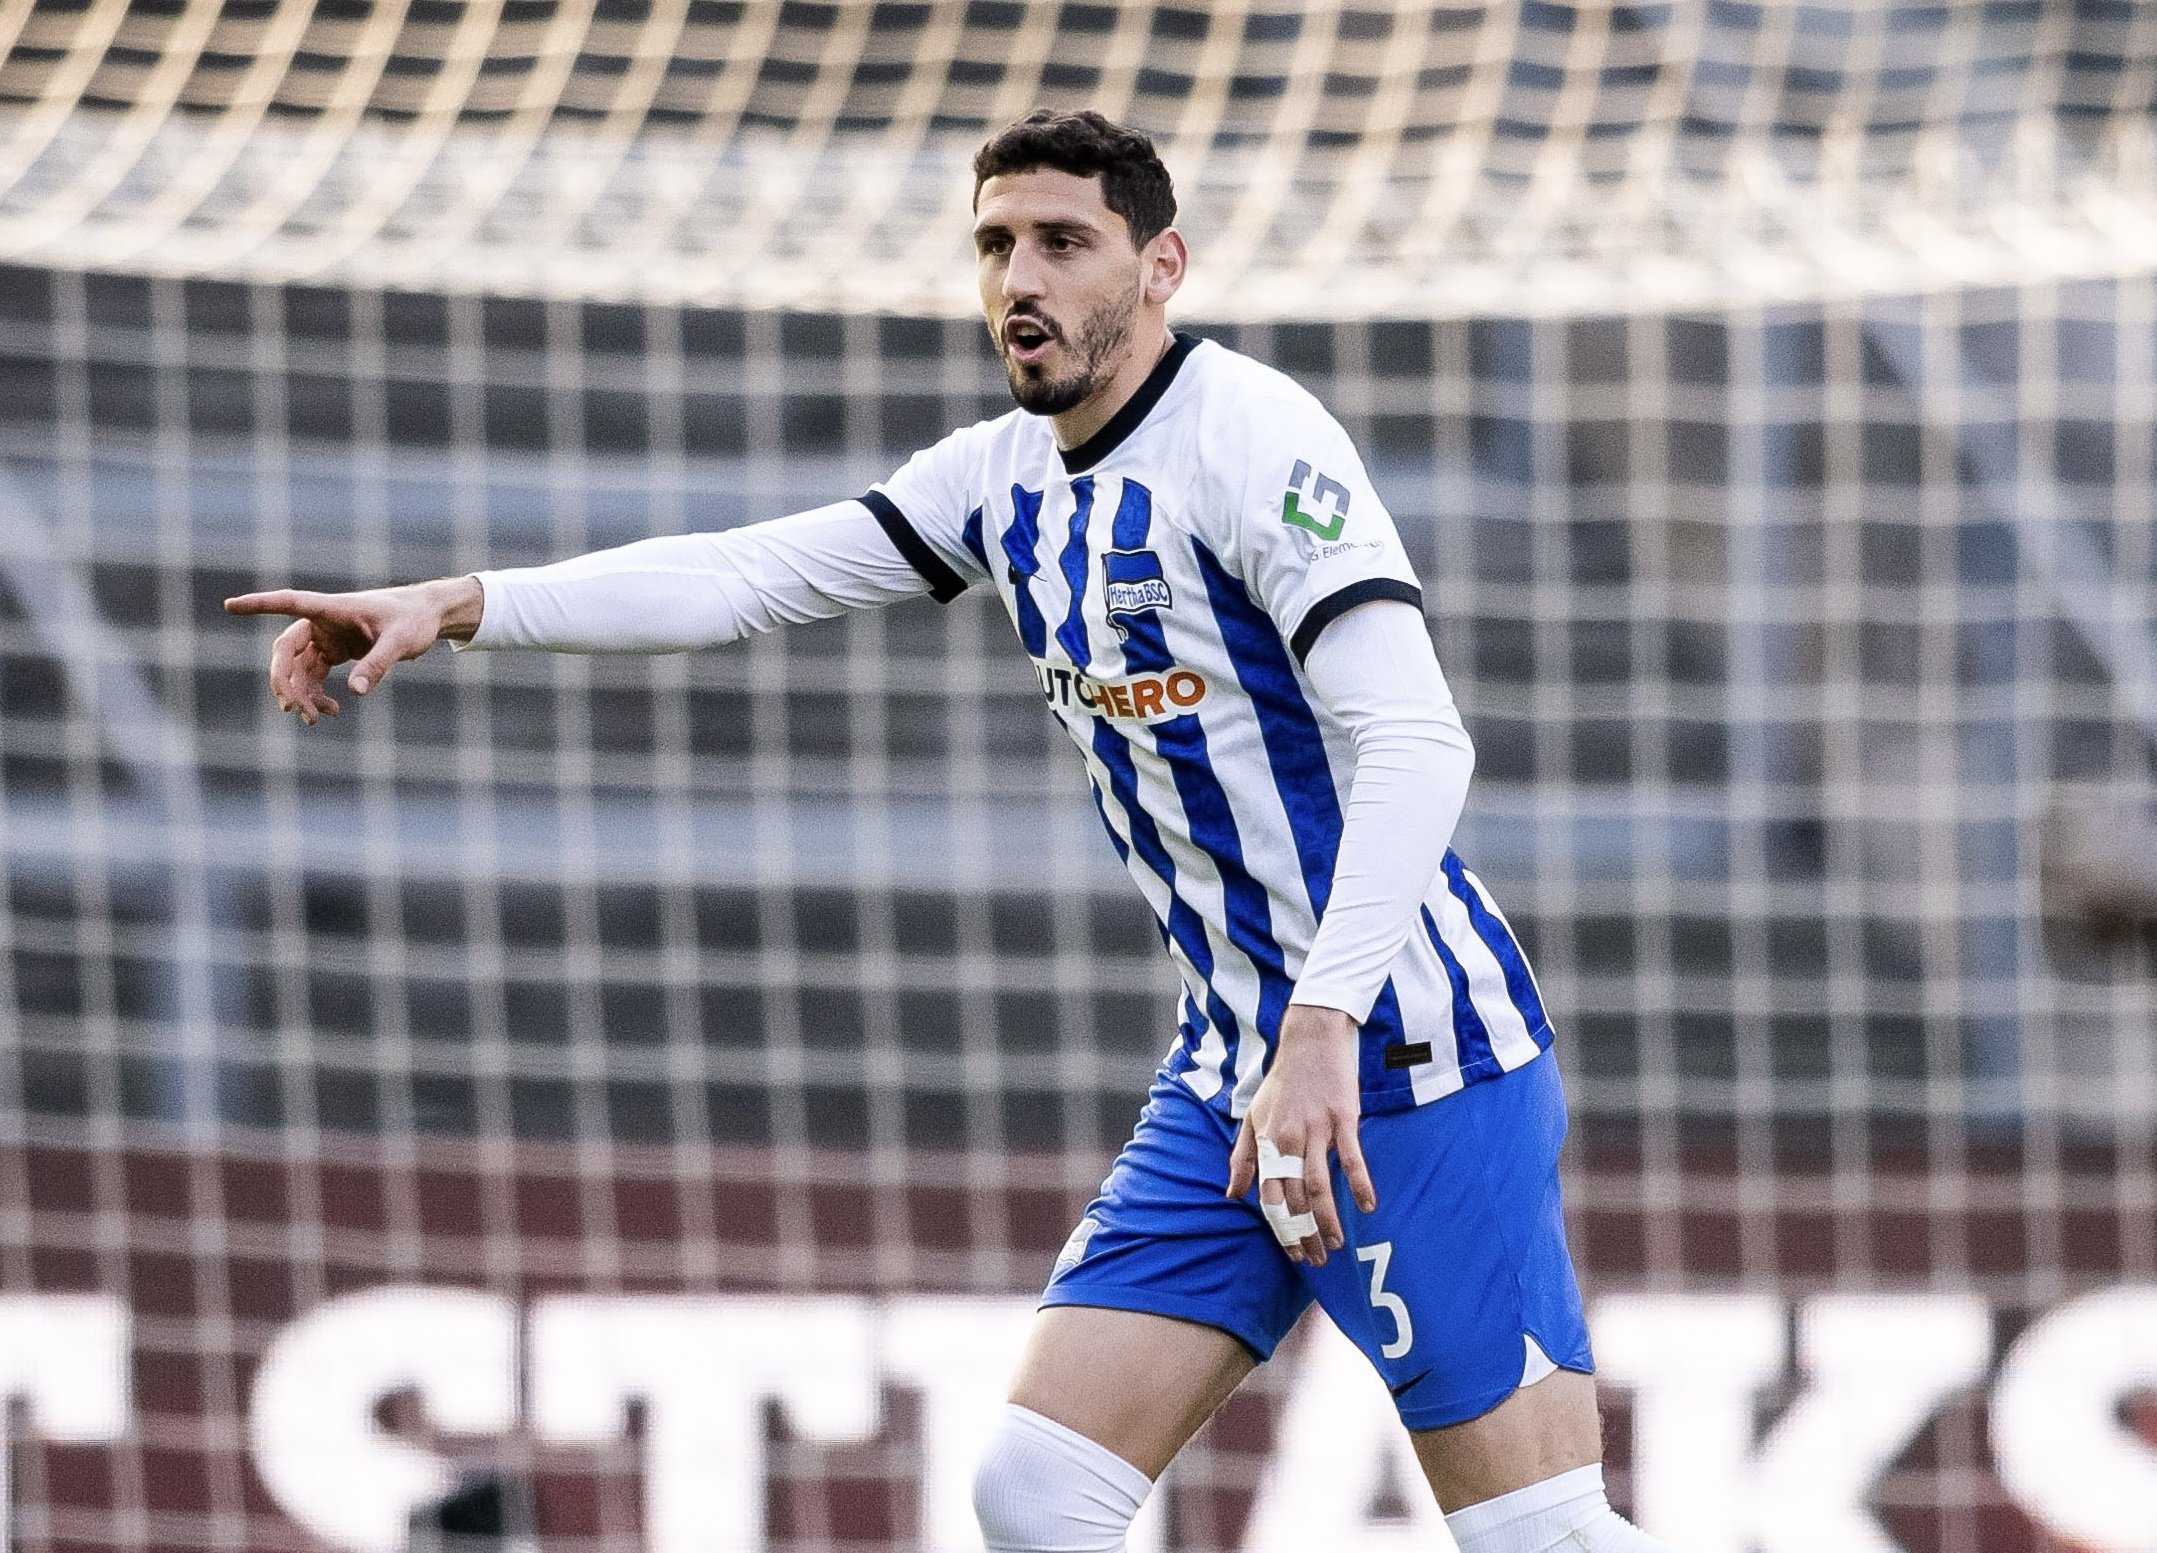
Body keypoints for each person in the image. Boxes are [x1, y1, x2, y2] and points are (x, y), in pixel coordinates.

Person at [228, 110, 1673, 1553]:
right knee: (1034, 1492)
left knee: (1541, 1538)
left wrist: (1322, 1028)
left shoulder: (1253, 438)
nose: (1018, 280)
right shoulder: (998, 480)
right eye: (994, 245)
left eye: (1062, 242)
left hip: (1407, 1057)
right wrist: (462, 601)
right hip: (1236, 1070)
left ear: (1160, 265)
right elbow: (744, 575)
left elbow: (1420, 743)